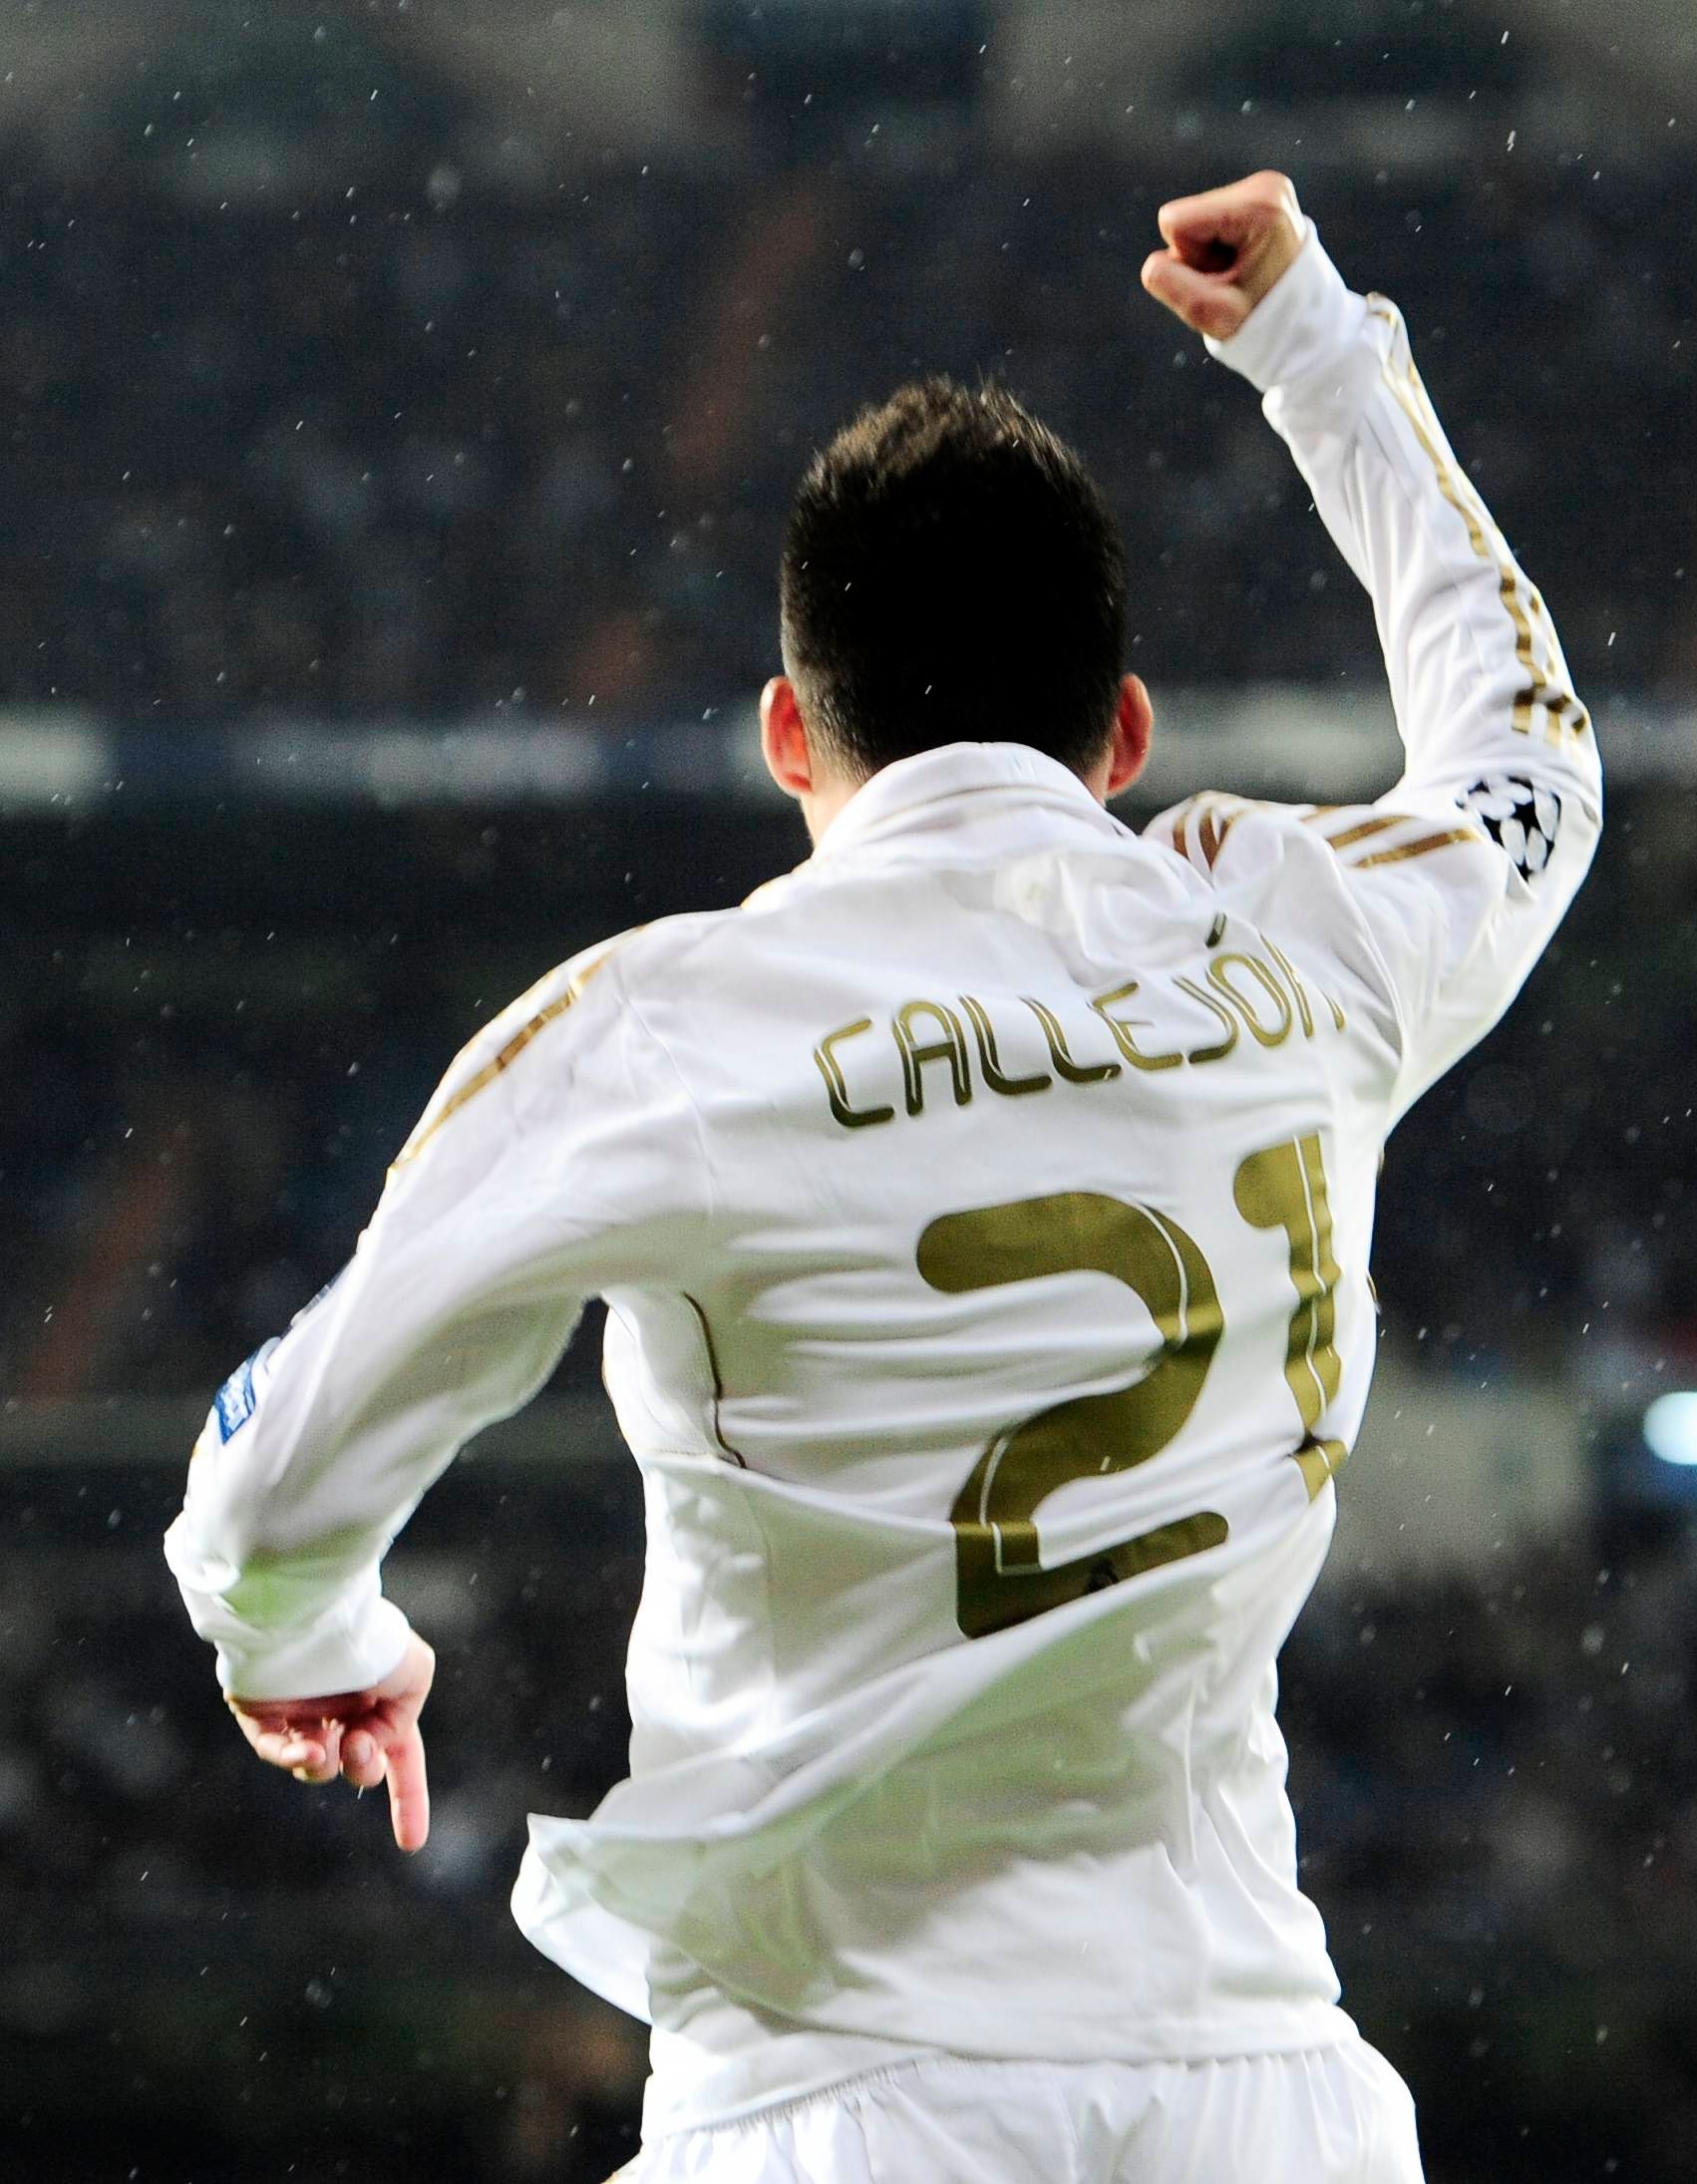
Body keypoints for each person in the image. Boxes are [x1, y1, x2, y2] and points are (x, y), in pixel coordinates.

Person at [167, 170, 1599, 2183]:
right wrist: (1317, 351)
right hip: (1268, 2099)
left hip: (842, 2101)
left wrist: (307, 1639)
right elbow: (1530, 757)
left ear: (783, 732)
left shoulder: (674, 1026)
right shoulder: (1299, 943)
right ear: (1123, 733)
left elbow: (283, 1466)